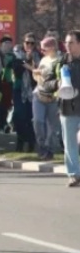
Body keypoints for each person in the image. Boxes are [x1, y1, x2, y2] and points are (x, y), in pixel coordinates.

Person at [44, 31, 80, 187]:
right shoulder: (61, 62)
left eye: (71, 42)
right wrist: (56, 84)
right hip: (67, 109)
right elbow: (46, 82)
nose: (67, 46)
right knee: (70, 143)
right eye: (66, 42)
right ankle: (74, 175)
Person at [31, 36, 61, 161]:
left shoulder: (59, 60)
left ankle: (50, 149)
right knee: (38, 121)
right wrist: (36, 74)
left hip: (53, 98)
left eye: (44, 48)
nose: (42, 51)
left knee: (52, 127)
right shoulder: (44, 59)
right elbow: (38, 76)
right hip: (39, 94)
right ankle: (41, 146)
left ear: (52, 47)